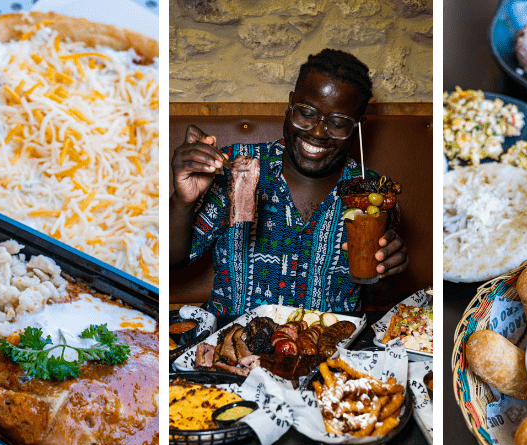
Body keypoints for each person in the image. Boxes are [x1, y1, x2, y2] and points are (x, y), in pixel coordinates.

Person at [170, 49, 408, 315]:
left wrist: (387, 270)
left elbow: (381, 298)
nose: (318, 132)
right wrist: (182, 201)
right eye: (306, 112)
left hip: (330, 349)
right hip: (230, 342)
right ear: (290, 104)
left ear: (357, 127)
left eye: (338, 122)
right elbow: (172, 262)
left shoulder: (371, 192)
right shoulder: (233, 166)